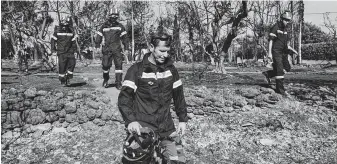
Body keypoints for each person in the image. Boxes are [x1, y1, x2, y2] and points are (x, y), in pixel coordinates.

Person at [118, 29, 188, 164]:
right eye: (161, 51)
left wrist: (183, 119)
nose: (165, 55)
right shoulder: (136, 70)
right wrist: (131, 121)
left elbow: (179, 96)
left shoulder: (171, 70)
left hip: (167, 127)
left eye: (167, 51)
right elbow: (124, 99)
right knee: (137, 160)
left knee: (179, 160)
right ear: (151, 47)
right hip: (143, 128)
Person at [262, 11, 298, 97]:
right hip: (276, 52)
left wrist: (294, 51)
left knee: (287, 68)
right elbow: (271, 41)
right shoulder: (276, 27)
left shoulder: (286, 30)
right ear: (282, 19)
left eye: (289, 20)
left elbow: (287, 45)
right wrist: (270, 53)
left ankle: (268, 74)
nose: (287, 22)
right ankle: (280, 91)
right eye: (286, 20)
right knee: (279, 71)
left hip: (284, 52)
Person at [95, 8, 129, 89]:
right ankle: (106, 79)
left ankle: (118, 83)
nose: (114, 16)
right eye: (112, 15)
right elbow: (99, 36)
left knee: (119, 66)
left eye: (115, 15)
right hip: (106, 49)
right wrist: (97, 46)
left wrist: (127, 48)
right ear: (109, 16)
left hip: (117, 49)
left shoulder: (120, 26)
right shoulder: (104, 26)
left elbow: (125, 38)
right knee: (105, 65)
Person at [51, 15, 78, 86]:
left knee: (72, 63)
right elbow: (53, 40)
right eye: (63, 21)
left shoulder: (71, 30)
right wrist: (53, 50)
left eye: (66, 21)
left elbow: (74, 42)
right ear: (61, 22)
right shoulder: (57, 30)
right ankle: (63, 81)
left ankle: (68, 77)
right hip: (61, 51)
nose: (65, 23)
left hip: (70, 51)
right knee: (62, 66)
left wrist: (75, 50)